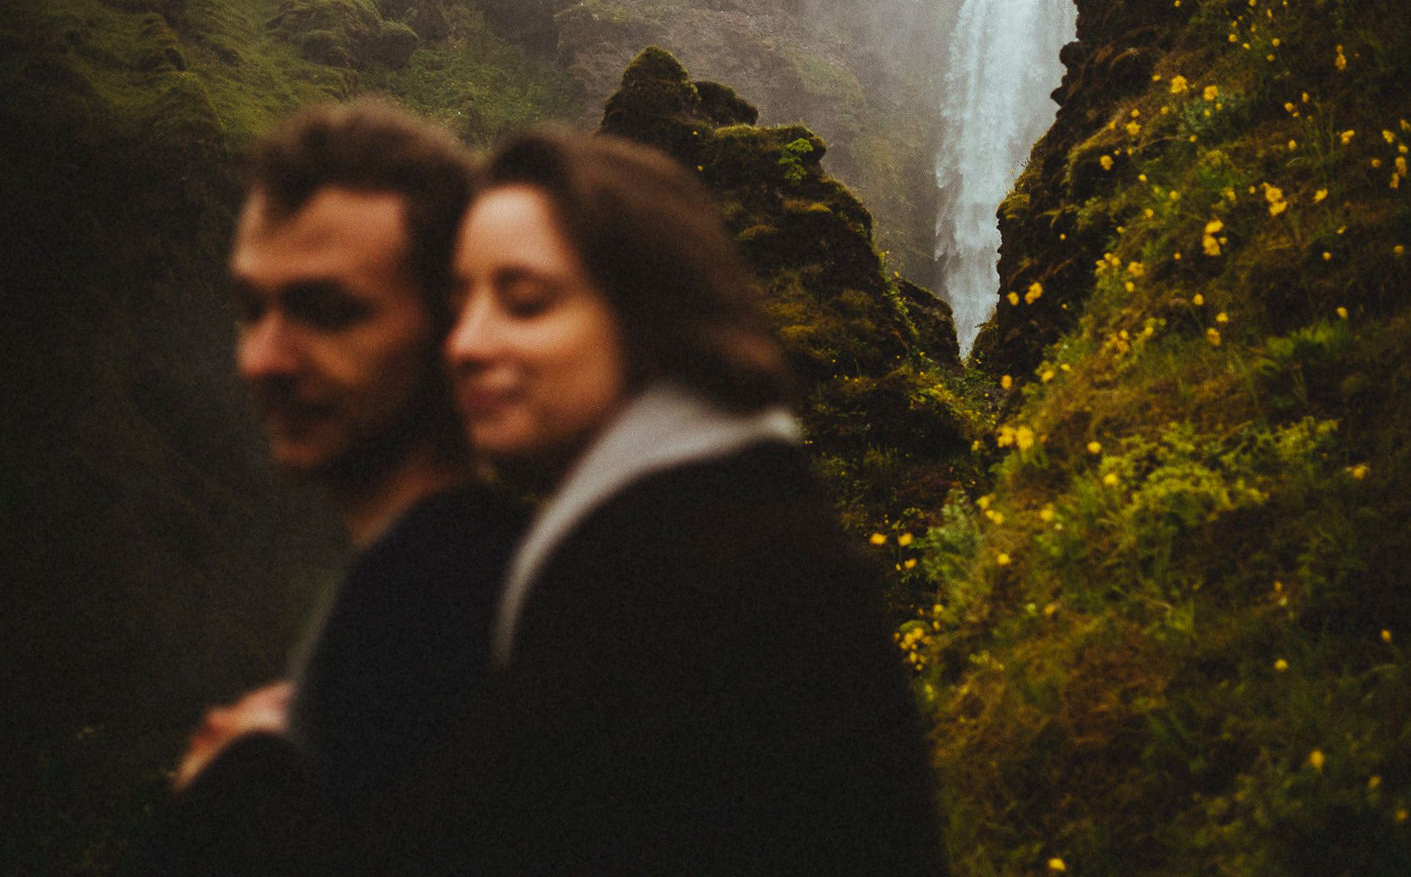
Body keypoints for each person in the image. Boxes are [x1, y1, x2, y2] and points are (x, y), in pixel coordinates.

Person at [441, 129, 948, 876]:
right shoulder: (753, 521)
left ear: (649, 314)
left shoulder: (672, 581)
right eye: (458, 306)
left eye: (524, 302)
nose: (465, 344)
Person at [120, 100, 529, 875]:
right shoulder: (428, 580)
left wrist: (217, 794)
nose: (262, 359)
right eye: (251, 309)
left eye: (327, 311)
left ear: (457, 327)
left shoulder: (436, 613)